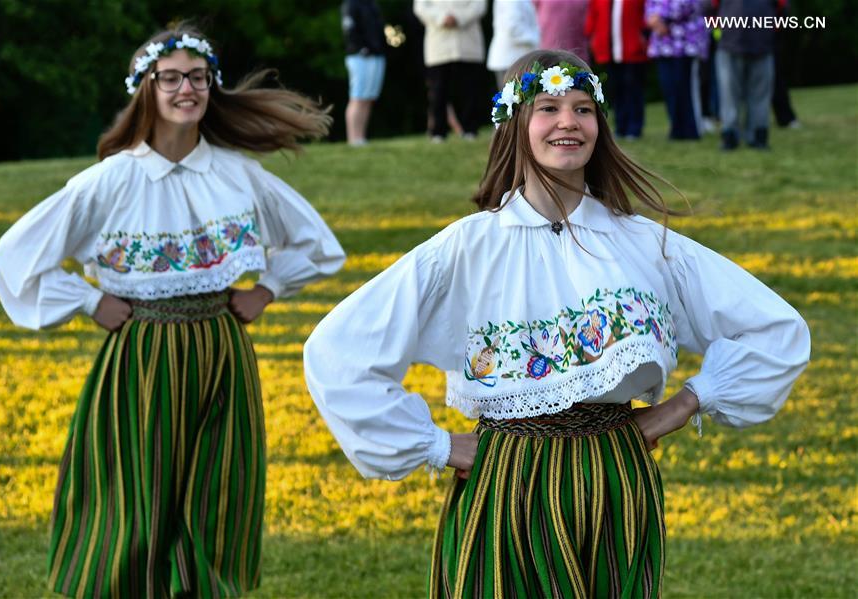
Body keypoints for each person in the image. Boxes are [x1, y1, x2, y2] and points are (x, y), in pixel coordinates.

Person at [304, 49, 810, 596]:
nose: (568, 121)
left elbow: (776, 331)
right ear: (514, 124)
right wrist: (436, 446)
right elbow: (338, 353)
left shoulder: (643, 243)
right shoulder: (466, 247)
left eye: (584, 108)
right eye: (548, 107)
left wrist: (682, 406)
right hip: (508, 478)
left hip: (614, 476)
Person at [0, 24, 345, 597]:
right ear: (146, 89)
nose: (188, 89)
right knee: (134, 495)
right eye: (173, 78)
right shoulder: (110, 181)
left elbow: (317, 245)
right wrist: (88, 300)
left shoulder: (237, 175)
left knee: (215, 493)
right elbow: (16, 257)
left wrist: (268, 289)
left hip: (220, 352)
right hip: (141, 354)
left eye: (199, 78)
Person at [413, 0, 487, 141]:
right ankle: (438, 132)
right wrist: (442, 18)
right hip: (439, 44)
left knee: (469, 89)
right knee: (438, 91)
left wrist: (459, 18)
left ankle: (470, 130)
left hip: (468, 43)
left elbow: (479, 5)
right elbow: (421, 7)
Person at [714, 0, 778, 150]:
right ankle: (730, 135)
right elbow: (709, 7)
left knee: (759, 94)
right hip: (731, 44)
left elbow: (782, 8)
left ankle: (758, 136)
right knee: (730, 94)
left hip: (762, 45)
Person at [586, 0, 649, 139]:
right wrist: (592, 37)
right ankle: (620, 126)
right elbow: (592, 18)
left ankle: (634, 127)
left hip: (633, 51)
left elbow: (645, 16)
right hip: (609, 52)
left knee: (633, 89)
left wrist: (643, 38)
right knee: (616, 89)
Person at [645, 0, 709, 139]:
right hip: (663, 46)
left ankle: (692, 129)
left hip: (687, 46)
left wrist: (660, 17)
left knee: (686, 89)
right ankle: (676, 128)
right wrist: (654, 21)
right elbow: (649, 7)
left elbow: (686, 6)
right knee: (670, 89)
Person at [342, 0, 387, 146]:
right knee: (357, 97)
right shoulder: (351, 4)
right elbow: (349, 29)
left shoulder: (372, 4)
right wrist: (361, 48)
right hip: (359, 57)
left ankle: (360, 137)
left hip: (376, 55)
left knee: (368, 98)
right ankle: (353, 138)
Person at [486, 0, 540, 87]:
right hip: (510, 60)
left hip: (514, 60)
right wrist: (537, 38)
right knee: (513, 99)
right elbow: (512, 29)